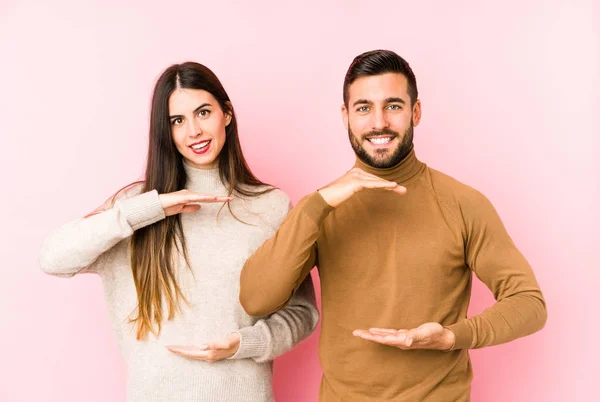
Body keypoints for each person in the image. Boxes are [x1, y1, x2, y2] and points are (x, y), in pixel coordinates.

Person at [240, 50, 547, 401]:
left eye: (393, 106)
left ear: (415, 112)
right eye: (364, 108)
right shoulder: (321, 209)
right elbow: (255, 299)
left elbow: (529, 303)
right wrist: (317, 204)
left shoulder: (463, 203)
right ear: (346, 116)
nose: (379, 122)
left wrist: (452, 336)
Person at [39, 61, 319, 402]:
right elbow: (53, 257)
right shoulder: (135, 207)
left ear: (226, 113)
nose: (193, 132)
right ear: (165, 130)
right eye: (177, 121)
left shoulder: (271, 206)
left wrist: (244, 344)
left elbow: (303, 312)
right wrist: (152, 208)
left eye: (203, 112)